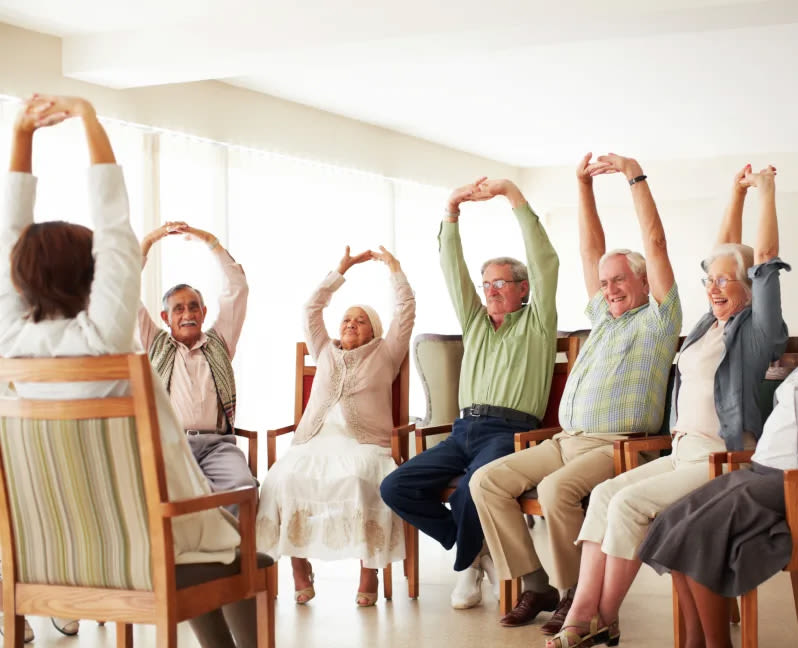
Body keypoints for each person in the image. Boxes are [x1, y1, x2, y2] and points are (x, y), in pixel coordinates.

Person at [0, 94, 252, 648]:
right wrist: (89, 120)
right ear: (93, 279)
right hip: (145, 546)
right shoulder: (104, 336)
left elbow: (9, 234)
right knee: (241, 550)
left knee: (206, 541)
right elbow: (114, 225)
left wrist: (21, 133)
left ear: (17, 277)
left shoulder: (9, 345)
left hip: (47, 553)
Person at [546, 163, 788, 648]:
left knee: (630, 503)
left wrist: (765, 190)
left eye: (726, 281)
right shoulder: (705, 327)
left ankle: (602, 618)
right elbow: (723, 258)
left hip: (722, 458)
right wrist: (734, 193)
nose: (714, 287)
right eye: (710, 281)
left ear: (751, 286)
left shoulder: (759, 331)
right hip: (682, 451)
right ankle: (582, 614)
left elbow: (758, 257)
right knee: (604, 495)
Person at [470, 153, 681, 633]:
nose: (609, 288)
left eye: (620, 280)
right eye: (605, 283)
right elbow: (591, 251)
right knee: (487, 481)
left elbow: (656, 241)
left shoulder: (659, 320)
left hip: (620, 446)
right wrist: (582, 185)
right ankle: (536, 583)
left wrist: (634, 177)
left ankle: (572, 596)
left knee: (555, 490)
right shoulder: (603, 318)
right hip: (567, 440)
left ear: (645, 281)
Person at [381, 177, 559, 609]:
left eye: (502, 283)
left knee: (471, 490)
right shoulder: (476, 323)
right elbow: (451, 268)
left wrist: (513, 196)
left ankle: (464, 567)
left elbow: (544, 260)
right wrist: (451, 209)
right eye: (487, 284)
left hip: (508, 432)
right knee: (395, 487)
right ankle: (476, 553)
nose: (492, 290)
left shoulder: (538, 323)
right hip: (463, 430)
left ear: (523, 289)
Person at [256, 245, 415, 607]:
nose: (350, 324)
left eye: (360, 320)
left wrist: (394, 268)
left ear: (373, 330)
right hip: (313, 441)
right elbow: (311, 309)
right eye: (346, 319)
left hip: (365, 445)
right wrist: (340, 271)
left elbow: (406, 311)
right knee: (282, 480)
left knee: (359, 482)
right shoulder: (324, 350)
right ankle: (299, 568)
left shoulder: (386, 353)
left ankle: (368, 572)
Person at [638, 363, 798, 648]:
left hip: (787, 480)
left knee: (701, 534)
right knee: (675, 518)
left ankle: (717, 644)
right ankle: (694, 641)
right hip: (759, 469)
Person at [139, 220, 256, 508]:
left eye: (193, 307)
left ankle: (230, 554)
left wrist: (208, 239)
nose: (187, 313)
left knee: (244, 490)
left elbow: (238, 287)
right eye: (178, 309)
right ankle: (185, 553)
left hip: (218, 446)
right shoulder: (154, 343)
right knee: (159, 497)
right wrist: (149, 242)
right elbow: (123, 290)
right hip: (170, 446)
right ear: (166, 318)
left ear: (204, 313)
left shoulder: (220, 342)